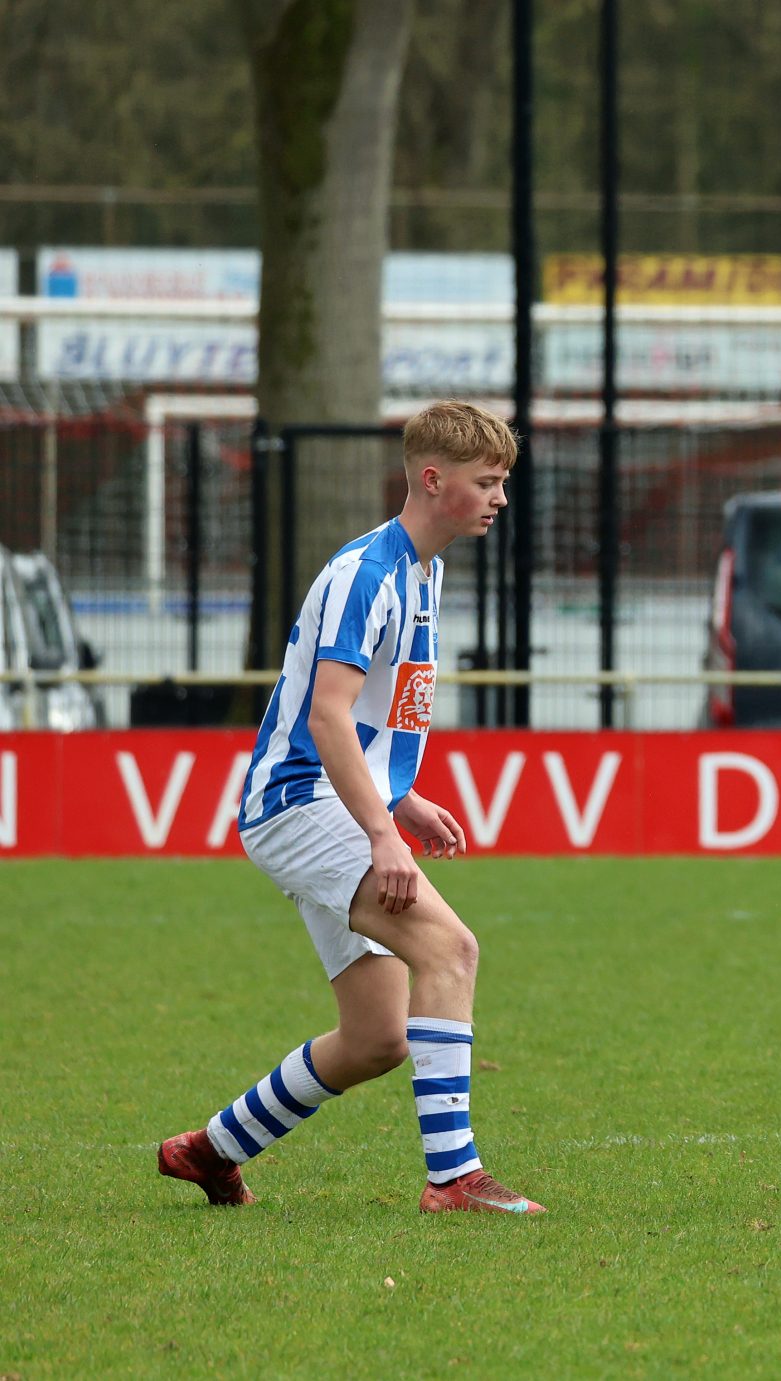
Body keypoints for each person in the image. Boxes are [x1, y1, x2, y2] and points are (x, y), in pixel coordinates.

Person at [157, 401, 546, 1216]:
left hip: (329, 802)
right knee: (451, 950)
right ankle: (454, 1180)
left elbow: (364, 719)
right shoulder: (368, 572)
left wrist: (401, 799)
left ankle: (209, 1149)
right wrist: (380, 833)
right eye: (487, 482)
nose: (499, 498)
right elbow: (326, 716)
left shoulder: (425, 571)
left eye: (502, 482)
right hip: (300, 803)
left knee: (377, 1037)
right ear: (433, 480)